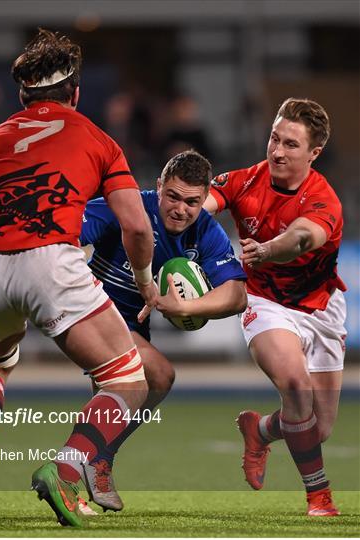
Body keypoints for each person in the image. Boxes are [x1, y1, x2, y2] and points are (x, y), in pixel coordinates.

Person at [0, 28, 158, 527]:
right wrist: (143, 279)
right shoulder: (98, 139)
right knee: (127, 381)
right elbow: (136, 224)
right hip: (51, 259)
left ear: (22, 95)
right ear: (75, 93)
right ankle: (68, 469)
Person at [79, 149, 247, 511]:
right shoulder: (127, 206)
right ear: (158, 188)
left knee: (121, 400)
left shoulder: (204, 229)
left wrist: (186, 307)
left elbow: (236, 295)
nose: (181, 209)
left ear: (204, 200)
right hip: (93, 313)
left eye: (192, 201)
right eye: (173, 196)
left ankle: (90, 463)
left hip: (131, 326)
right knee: (157, 375)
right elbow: (67, 232)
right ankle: (85, 464)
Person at [204, 98, 347, 516]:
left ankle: (261, 428)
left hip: (321, 308)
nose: (277, 151)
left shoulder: (324, 201)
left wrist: (266, 249)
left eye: (291, 145)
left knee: (319, 428)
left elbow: (301, 238)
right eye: (274, 138)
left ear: (313, 154)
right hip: (266, 303)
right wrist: (183, 214)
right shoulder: (246, 180)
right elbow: (203, 204)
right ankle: (318, 496)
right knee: (295, 386)